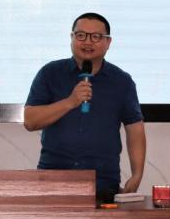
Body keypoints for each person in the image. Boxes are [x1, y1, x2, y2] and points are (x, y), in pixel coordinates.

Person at [24, 12, 146, 204]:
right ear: (72, 38)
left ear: (108, 42)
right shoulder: (50, 73)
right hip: (52, 181)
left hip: (102, 183)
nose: (87, 42)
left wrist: (137, 174)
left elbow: (135, 129)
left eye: (96, 36)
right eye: (81, 35)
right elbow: (30, 121)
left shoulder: (122, 81)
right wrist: (70, 101)